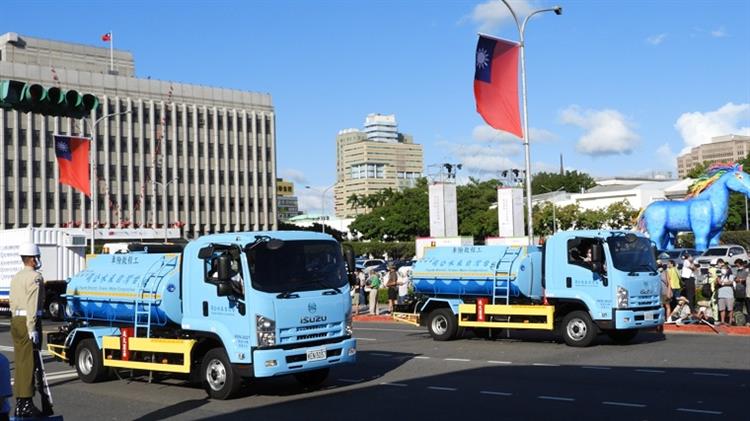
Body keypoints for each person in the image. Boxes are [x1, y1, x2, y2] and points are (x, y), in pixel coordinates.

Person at [9, 243, 45, 418]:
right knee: (29, 363)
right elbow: (32, 303)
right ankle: (25, 403)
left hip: (16, 320)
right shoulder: (34, 277)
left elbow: (12, 301)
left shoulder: (16, 277)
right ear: (33, 258)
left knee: (21, 362)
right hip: (27, 321)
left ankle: (21, 403)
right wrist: (32, 327)